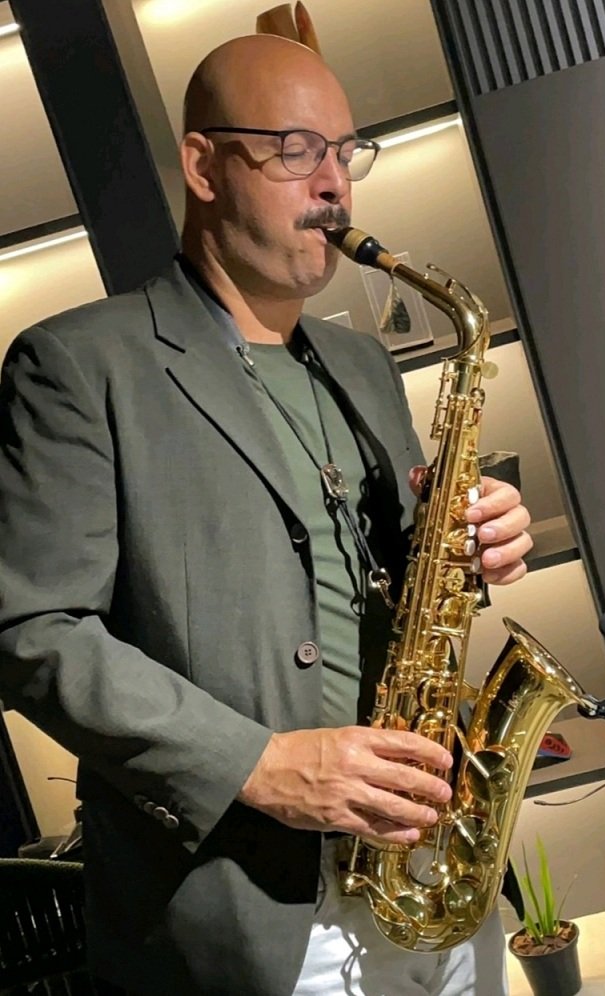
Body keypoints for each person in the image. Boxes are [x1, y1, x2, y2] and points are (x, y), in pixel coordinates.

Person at [0, 34, 532, 996]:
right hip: (254, 907)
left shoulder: (363, 363)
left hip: (431, 862)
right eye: (295, 150)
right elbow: (32, 631)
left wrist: (469, 541)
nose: (333, 184)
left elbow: (387, 585)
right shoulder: (77, 364)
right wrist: (258, 764)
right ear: (204, 166)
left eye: (346, 153)